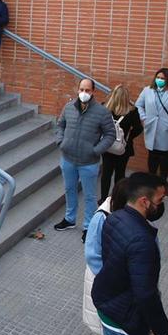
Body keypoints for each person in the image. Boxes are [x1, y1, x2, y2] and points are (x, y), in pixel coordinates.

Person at [91, 172, 168, 335]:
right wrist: (159, 325)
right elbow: (145, 292)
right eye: (160, 200)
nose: (162, 205)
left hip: (108, 308)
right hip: (125, 321)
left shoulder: (115, 217)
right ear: (144, 202)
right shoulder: (142, 240)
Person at [82, 180, 128, 335]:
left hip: (118, 289)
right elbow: (92, 255)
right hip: (102, 285)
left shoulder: (130, 218)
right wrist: (114, 279)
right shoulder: (102, 216)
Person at [53, 78, 117, 235]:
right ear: (77, 90)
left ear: (93, 91)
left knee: (90, 196)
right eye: (81, 89)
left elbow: (110, 134)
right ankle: (70, 219)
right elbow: (60, 125)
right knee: (69, 190)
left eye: (87, 90)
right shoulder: (69, 107)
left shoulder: (102, 112)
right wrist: (60, 141)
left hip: (89, 162)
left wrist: (96, 150)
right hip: (68, 158)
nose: (84, 93)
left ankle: (88, 226)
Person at [135, 67, 168, 180]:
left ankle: (162, 182)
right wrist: (144, 118)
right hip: (151, 127)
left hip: (167, 129)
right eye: (158, 77)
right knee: (152, 156)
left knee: (165, 157)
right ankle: (151, 181)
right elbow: (138, 105)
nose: (159, 80)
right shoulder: (147, 90)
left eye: (162, 78)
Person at [100, 85, 143, 201]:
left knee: (106, 173)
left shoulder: (104, 108)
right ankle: (117, 199)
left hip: (107, 145)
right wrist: (128, 137)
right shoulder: (133, 111)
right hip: (123, 148)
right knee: (120, 174)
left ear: (113, 96)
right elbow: (139, 129)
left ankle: (103, 198)